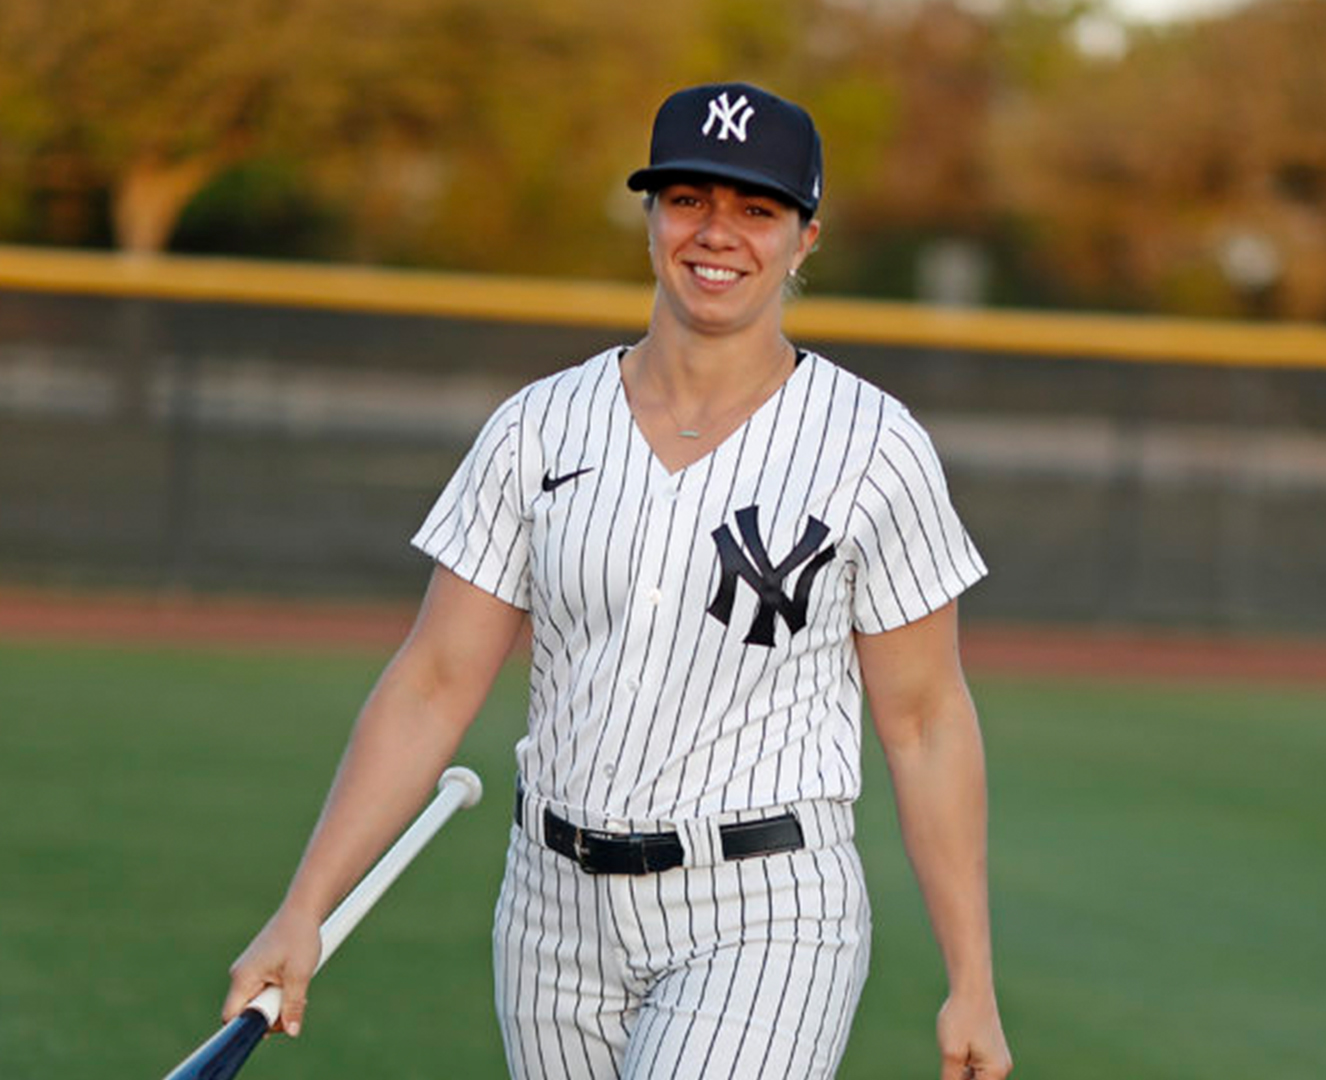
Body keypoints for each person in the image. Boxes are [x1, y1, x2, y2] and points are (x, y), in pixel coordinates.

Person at [222, 81, 1013, 1080]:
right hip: (553, 914)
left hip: (764, 909)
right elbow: (432, 682)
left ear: (805, 237)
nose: (716, 233)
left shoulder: (875, 447)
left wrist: (971, 980)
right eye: (687, 199)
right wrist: (305, 910)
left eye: (756, 209)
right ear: (650, 216)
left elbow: (927, 718)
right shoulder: (538, 427)